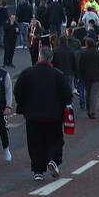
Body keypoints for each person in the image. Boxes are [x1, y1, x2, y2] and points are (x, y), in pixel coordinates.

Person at [14, 46, 72, 180]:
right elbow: (67, 94)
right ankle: (54, 160)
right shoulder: (58, 74)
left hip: (32, 115)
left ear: (39, 56)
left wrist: (23, 105)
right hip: (54, 115)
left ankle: (38, 170)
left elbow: (17, 91)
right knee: (56, 140)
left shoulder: (27, 73)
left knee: (35, 142)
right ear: (51, 58)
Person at [76, 38, 99, 119]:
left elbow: (81, 65)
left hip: (86, 76)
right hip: (96, 76)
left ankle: (88, 110)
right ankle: (92, 111)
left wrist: (80, 76)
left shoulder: (83, 53)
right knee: (94, 94)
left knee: (88, 93)